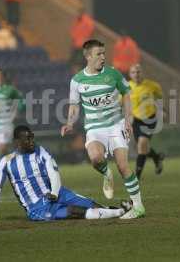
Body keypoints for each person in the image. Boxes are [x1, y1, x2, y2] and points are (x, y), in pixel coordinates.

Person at [61, 39, 145, 219]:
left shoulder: (113, 74)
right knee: (96, 158)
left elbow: (127, 94)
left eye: (104, 53)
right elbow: (74, 106)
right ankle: (106, 173)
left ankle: (138, 207)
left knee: (123, 166)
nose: (103, 57)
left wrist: (129, 118)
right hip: (94, 127)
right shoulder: (77, 81)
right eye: (98, 54)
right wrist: (69, 123)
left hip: (116, 125)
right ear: (88, 56)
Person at [0, 125, 129, 223]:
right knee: (74, 211)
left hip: (57, 193)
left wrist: (54, 192)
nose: (31, 141)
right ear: (17, 142)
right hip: (38, 208)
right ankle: (120, 212)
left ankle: (118, 210)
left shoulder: (41, 151)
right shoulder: (5, 161)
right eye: (27, 139)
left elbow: (53, 174)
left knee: (92, 204)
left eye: (32, 137)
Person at [128, 64, 165, 179]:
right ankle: (156, 158)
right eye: (134, 72)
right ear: (130, 74)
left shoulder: (152, 86)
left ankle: (136, 177)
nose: (136, 74)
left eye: (138, 72)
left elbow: (159, 99)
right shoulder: (126, 87)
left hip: (150, 119)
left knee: (142, 145)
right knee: (143, 147)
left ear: (142, 73)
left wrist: (163, 110)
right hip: (135, 120)